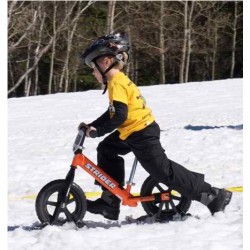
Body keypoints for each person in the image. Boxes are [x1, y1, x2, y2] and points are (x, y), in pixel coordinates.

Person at [80, 32, 232, 221]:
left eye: (93, 67)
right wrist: (93, 126)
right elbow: (113, 113)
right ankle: (109, 201)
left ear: (105, 61)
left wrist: (98, 131)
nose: (93, 73)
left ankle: (212, 195)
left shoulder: (116, 82)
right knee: (107, 149)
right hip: (133, 131)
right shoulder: (116, 82)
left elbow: (120, 115)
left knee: (163, 172)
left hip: (142, 133)